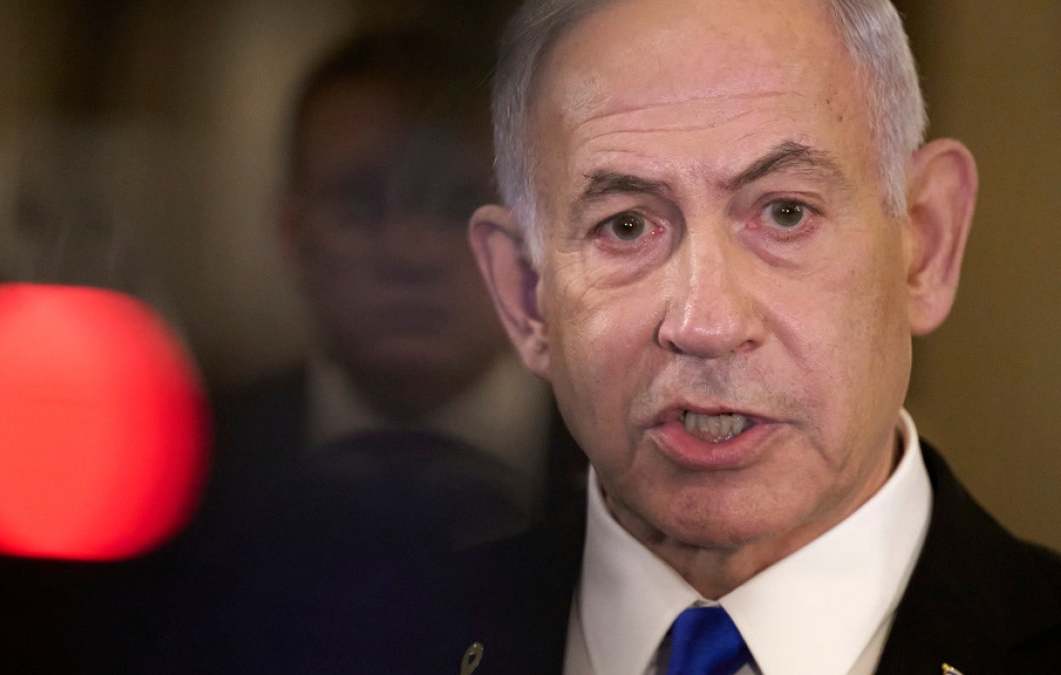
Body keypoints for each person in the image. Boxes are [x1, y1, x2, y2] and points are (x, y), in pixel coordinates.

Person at [463, 0, 1061, 672]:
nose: (707, 325)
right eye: (626, 226)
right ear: (526, 296)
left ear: (925, 243)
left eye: (785, 213)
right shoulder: (384, 639)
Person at [213, 28, 586, 543]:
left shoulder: (633, 470)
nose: (412, 253)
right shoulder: (186, 467)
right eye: (360, 204)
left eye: (462, 204)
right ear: (294, 234)